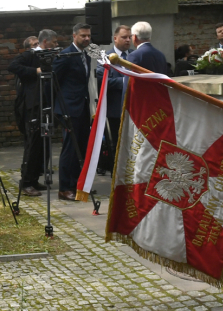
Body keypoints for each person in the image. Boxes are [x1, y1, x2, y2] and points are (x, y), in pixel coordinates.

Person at [8, 29, 57, 196]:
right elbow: (13, 66)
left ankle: (35, 178)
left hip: (46, 103)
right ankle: (27, 181)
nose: (56, 45)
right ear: (45, 42)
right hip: (32, 105)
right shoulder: (30, 55)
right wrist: (35, 71)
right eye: (54, 42)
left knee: (44, 144)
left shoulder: (49, 56)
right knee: (33, 143)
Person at [53, 23, 97, 201]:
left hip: (82, 107)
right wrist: (59, 108)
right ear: (74, 36)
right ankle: (64, 188)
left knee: (82, 146)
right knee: (70, 149)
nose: (86, 39)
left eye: (88, 36)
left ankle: (79, 185)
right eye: (83, 36)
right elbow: (54, 82)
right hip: (68, 109)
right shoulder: (65, 55)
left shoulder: (84, 55)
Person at [101, 25, 132, 159]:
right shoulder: (105, 57)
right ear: (115, 38)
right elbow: (105, 81)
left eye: (130, 37)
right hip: (115, 109)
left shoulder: (134, 55)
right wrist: (127, 81)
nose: (128, 40)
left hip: (133, 108)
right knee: (117, 144)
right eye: (124, 37)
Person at [12, 36, 39, 136]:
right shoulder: (26, 57)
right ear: (28, 48)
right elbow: (12, 66)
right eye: (35, 44)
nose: (37, 47)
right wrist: (35, 71)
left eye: (38, 44)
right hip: (28, 101)